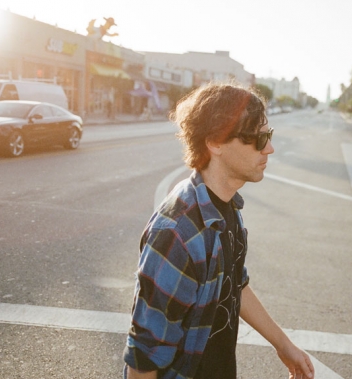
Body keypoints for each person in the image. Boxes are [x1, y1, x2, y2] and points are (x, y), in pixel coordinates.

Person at [123, 83, 314, 379]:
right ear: (215, 142)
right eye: (258, 137)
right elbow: (143, 360)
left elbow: (233, 282)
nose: (269, 147)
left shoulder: (226, 208)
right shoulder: (177, 234)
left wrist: (283, 345)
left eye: (269, 135)